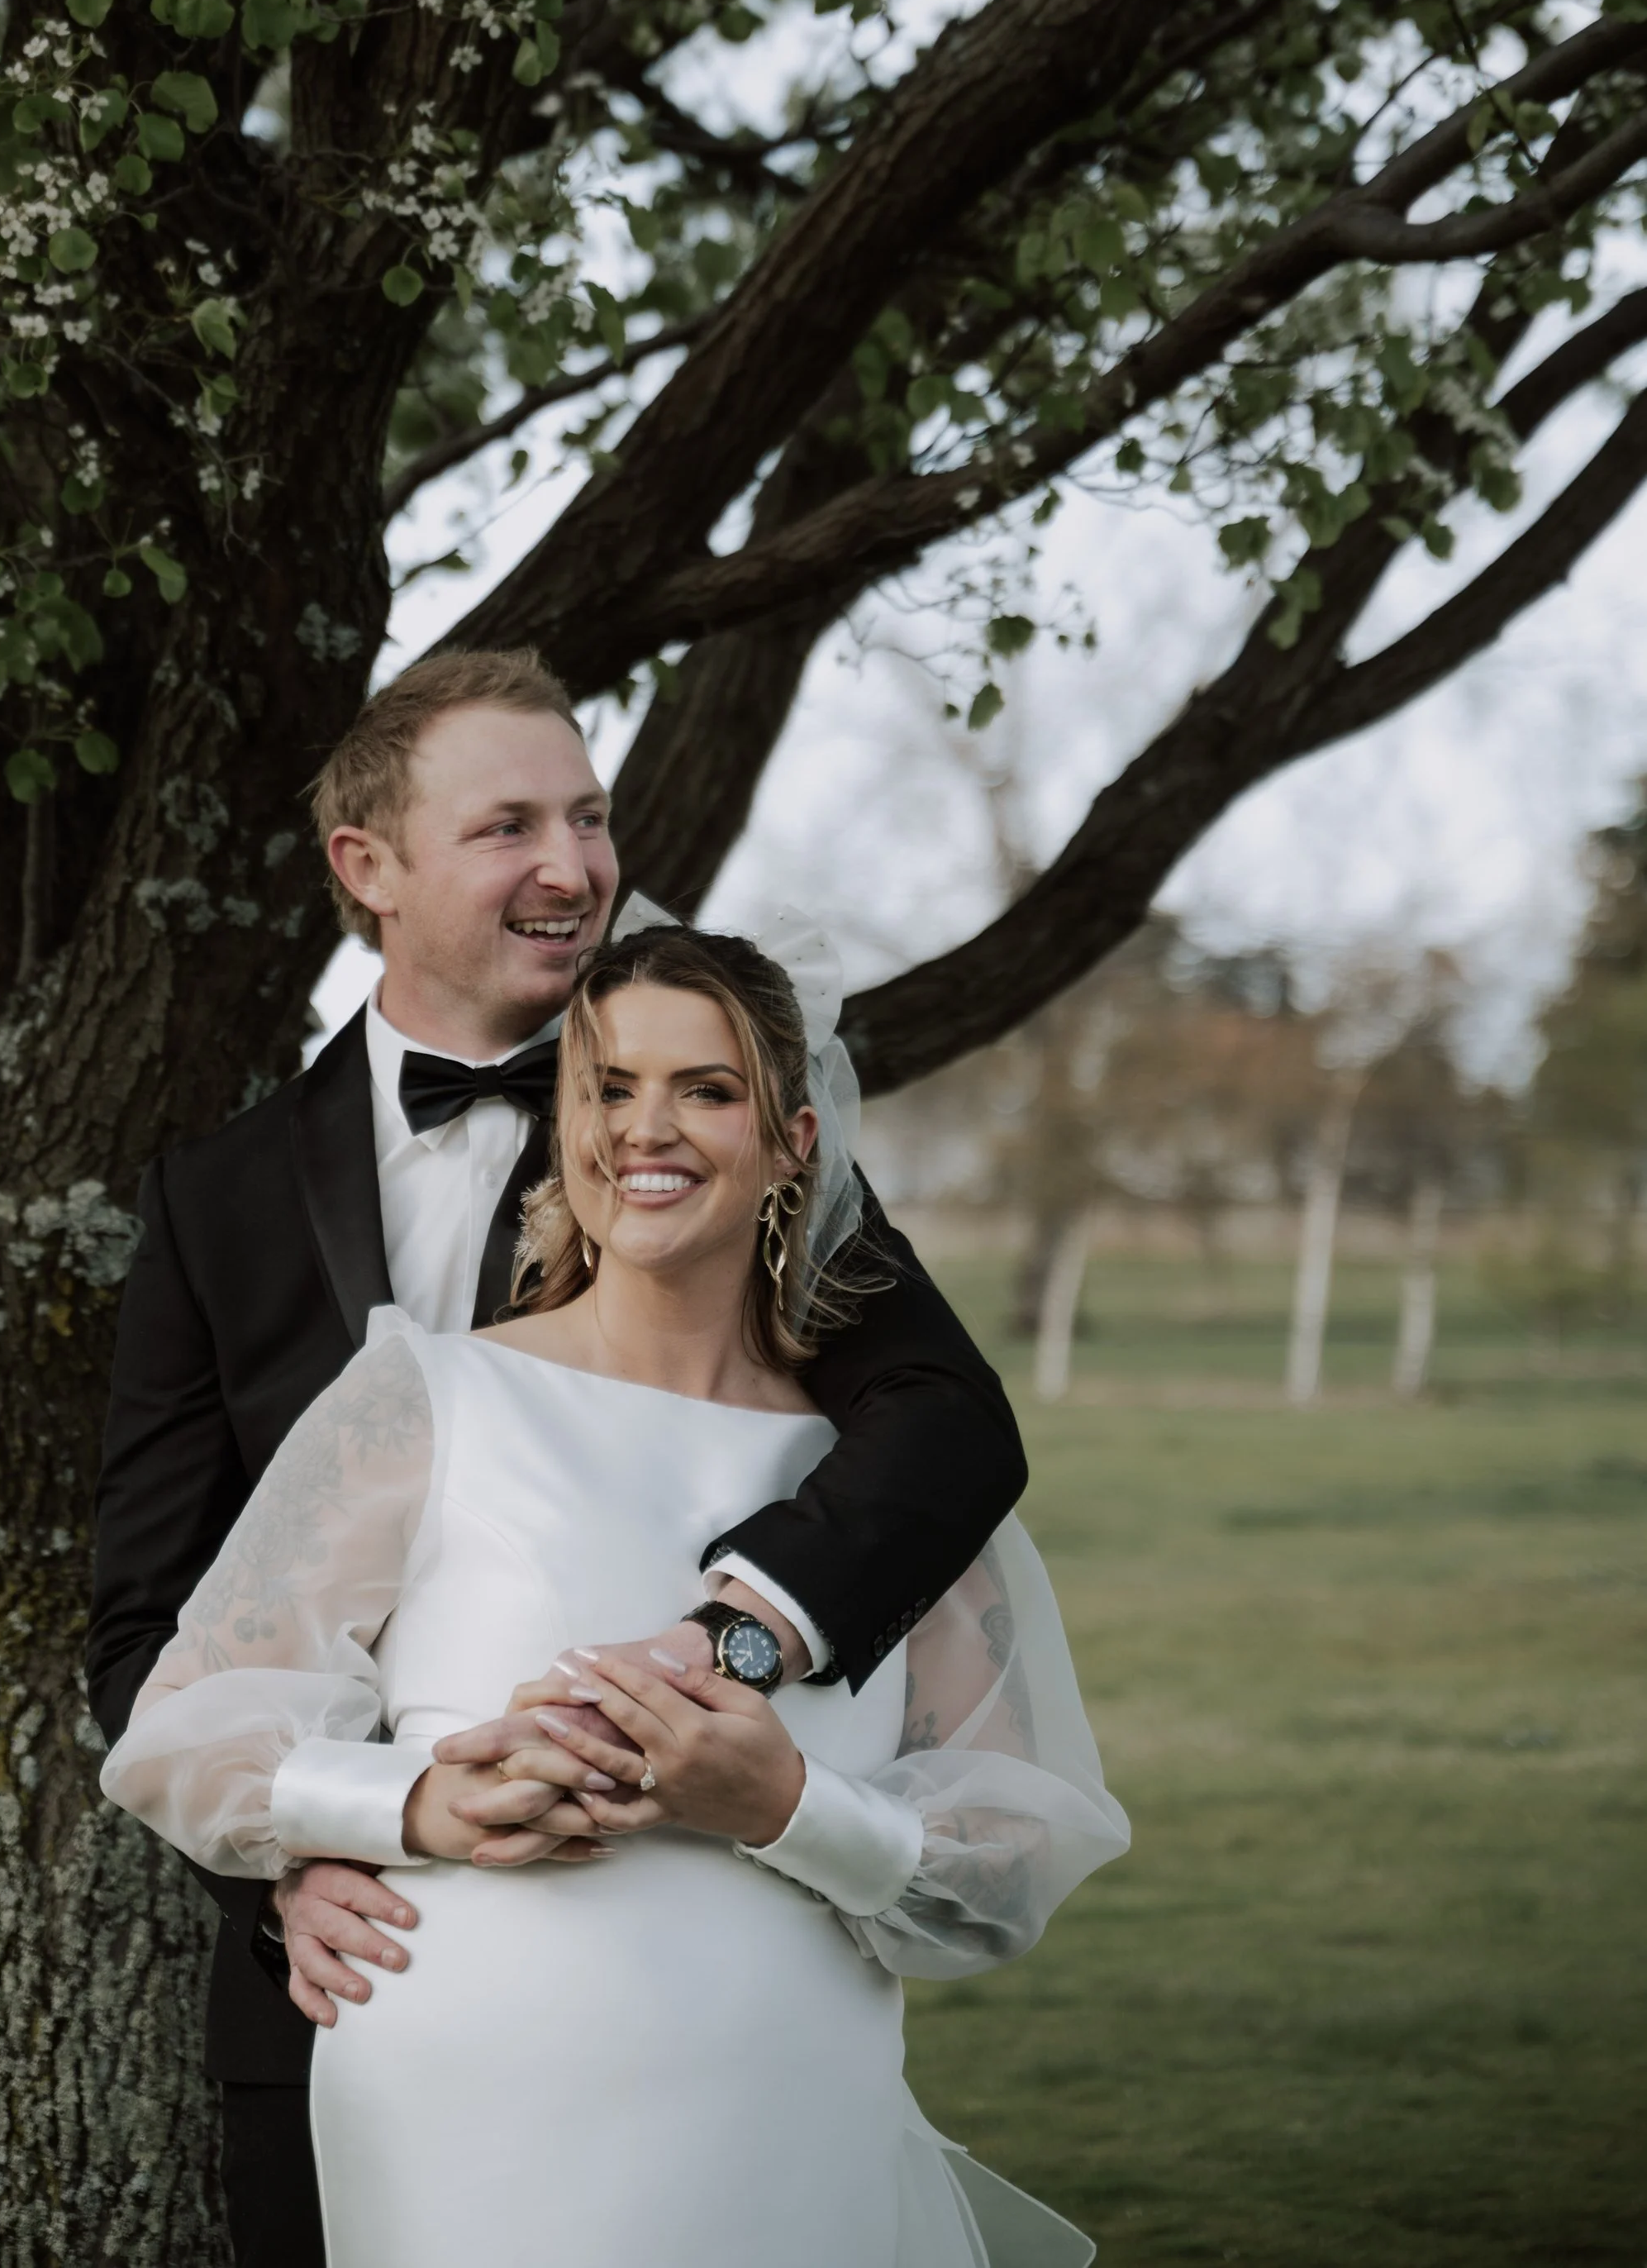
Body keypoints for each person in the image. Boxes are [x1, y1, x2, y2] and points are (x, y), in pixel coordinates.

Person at [85, 648, 1028, 2266]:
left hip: (718, 2019)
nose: (574, 865)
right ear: (363, 866)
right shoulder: (212, 1200)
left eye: (587, 817)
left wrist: (723, 1652)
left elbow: (944, 1427)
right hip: (346, 1976)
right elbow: (146, 1625)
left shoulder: (690, 1129)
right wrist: (310, 1847)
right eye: (507, 823)